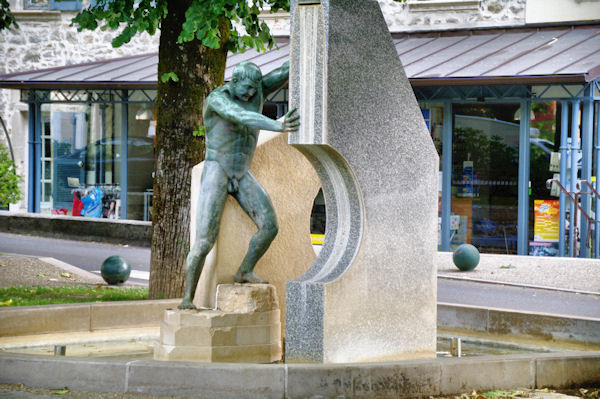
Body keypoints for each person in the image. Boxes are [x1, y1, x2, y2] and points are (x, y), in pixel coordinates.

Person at [179, 61, 300, 310]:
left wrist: (310, 40)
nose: (250, 95)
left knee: (269, 226)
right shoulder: (217, 99)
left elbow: (286, 70)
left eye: (254, 91)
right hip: (217, 170)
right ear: (233, 83)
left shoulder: (257, 90)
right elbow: (241, 115)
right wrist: (278, 124)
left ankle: (245, 270)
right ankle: (187, 299)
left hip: (242, 173)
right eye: (245, 89)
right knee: (204, 242)